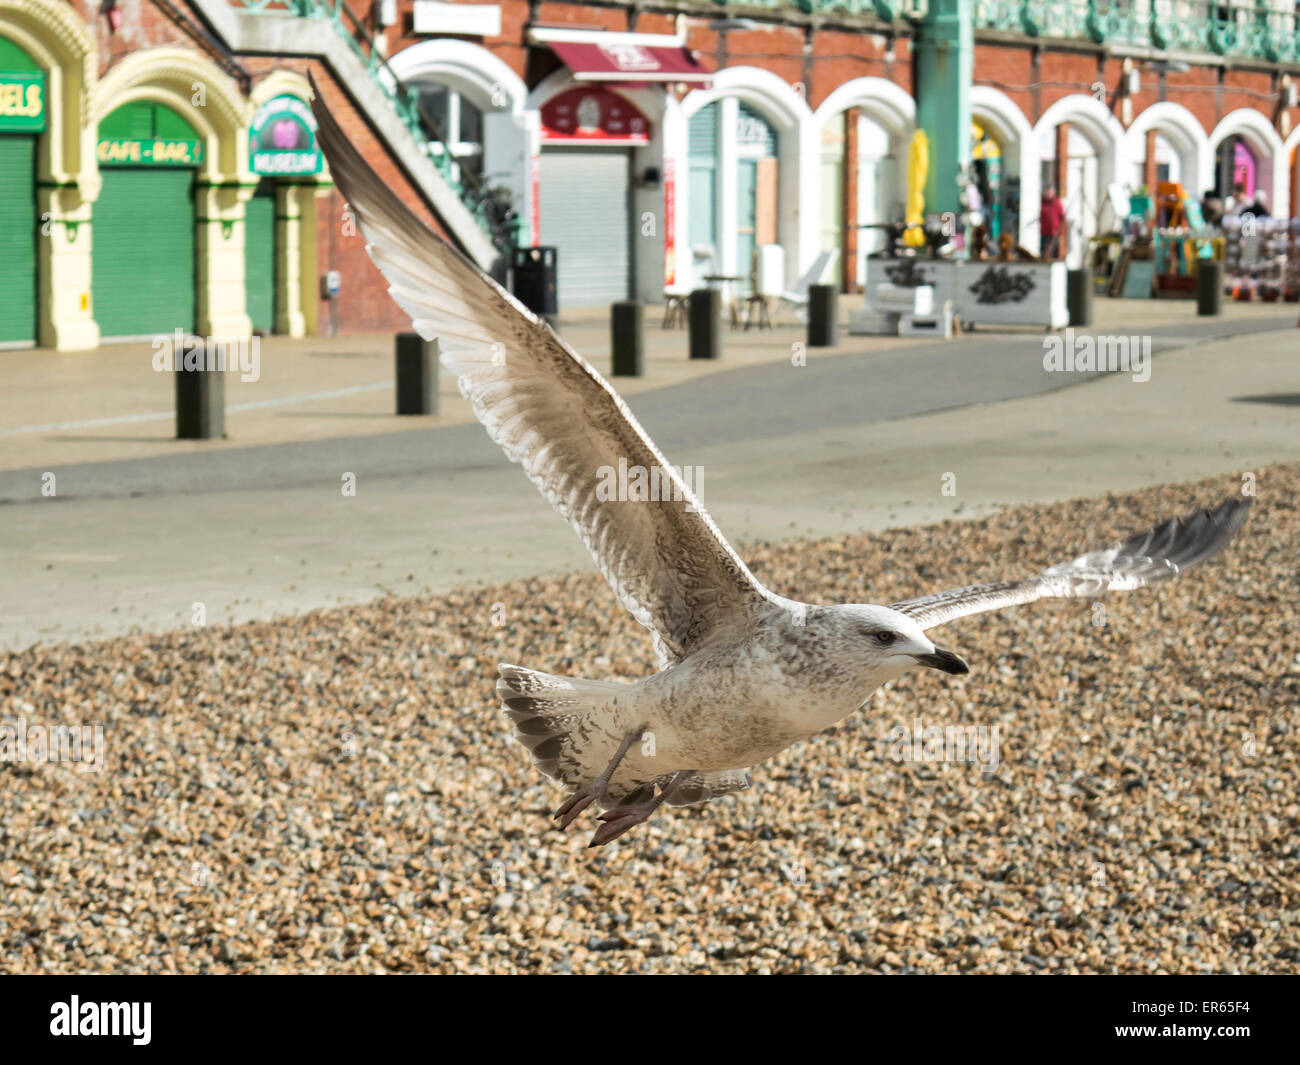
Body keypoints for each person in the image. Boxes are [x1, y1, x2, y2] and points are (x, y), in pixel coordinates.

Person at [1040, 184, 1066, 259]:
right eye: (1046, 192)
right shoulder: (1041, 203)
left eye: (1049, 192)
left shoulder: (1057, 203)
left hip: (1054, 233)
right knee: (1044, 251)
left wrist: (1060, 231)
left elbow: (1062, 218)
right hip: (1044, 232)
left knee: (1053, 252)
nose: (1047, 194)